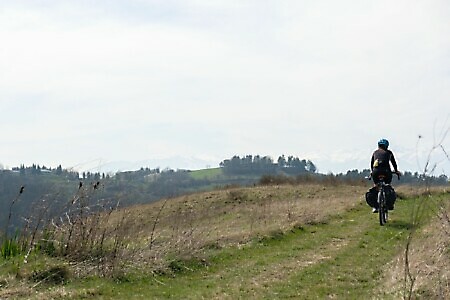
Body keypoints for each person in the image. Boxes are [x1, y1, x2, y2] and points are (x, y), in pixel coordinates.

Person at [368, 139, 401, 212]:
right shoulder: (389, 153)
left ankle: (375, 207)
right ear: (386, 146)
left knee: (376, 186)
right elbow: (393, 163)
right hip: (386, 172)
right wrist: (396, 171)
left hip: (375, 172)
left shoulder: (375, 152)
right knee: (387, 185)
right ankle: (389, 203)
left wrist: (372, 172)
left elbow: (372, 164)